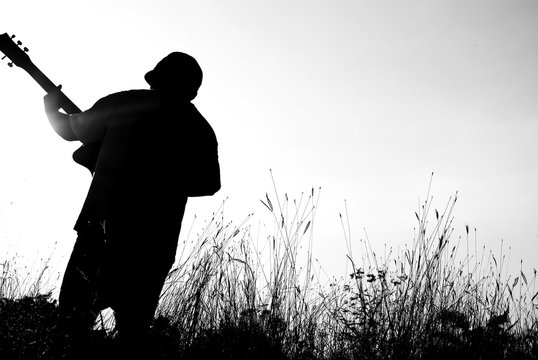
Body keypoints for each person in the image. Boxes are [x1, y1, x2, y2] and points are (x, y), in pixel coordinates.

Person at [43, 52, 220, 359]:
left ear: (154, 79)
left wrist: (50, 109)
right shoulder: (199, 127)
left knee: (72, 325)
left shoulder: (124, 103)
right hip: (155, 244)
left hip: (100, 230)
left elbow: (70, 130)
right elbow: (209, 183)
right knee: (133, 337)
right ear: (192, 90)